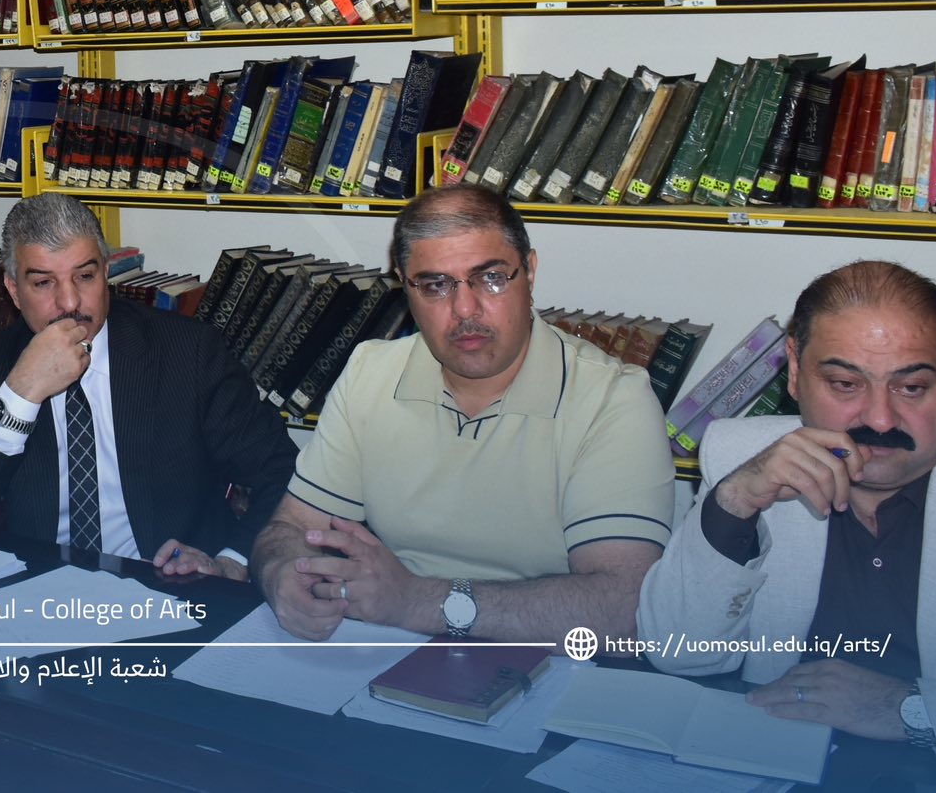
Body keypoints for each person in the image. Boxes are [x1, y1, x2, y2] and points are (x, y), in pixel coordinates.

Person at [637, 260, 936, 774]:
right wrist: (735, 505)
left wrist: (911, 710)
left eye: (911, 387)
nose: (880, 419)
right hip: (779, 764)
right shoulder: (743, 458)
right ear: (795, 371)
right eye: (845, 383)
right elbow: (680, 653)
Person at [250, 183, 674, 645]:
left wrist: (416, 601)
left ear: (530, 272)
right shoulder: (370, 371)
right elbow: (293, 528)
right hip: (392, 646)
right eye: (435, 285)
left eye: (491, 278)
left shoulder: (613, 399)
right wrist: (281, 575)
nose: (464, 309)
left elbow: (623, 606)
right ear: (405, 286)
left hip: (551, 660)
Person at [0, 194, 299, 576]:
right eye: (43, 282)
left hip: (169, 582)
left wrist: (232, 561)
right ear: (13, 289)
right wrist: (21, 395)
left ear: (105, 272)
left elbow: (283, 470)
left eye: (84, 276)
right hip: (46, 587)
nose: (69, 302)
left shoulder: (187, 353)